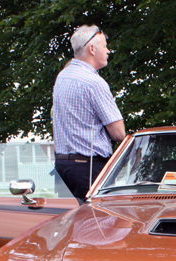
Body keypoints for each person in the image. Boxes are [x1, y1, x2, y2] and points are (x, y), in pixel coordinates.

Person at [53, 25, 126, 202]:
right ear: (92, 49)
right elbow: (119, 133)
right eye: (105, 46)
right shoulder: (94, 82)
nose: (108, 51)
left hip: (63, 166)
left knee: (73, 225)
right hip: (89, 167)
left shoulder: (62, 77)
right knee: (99, 225)